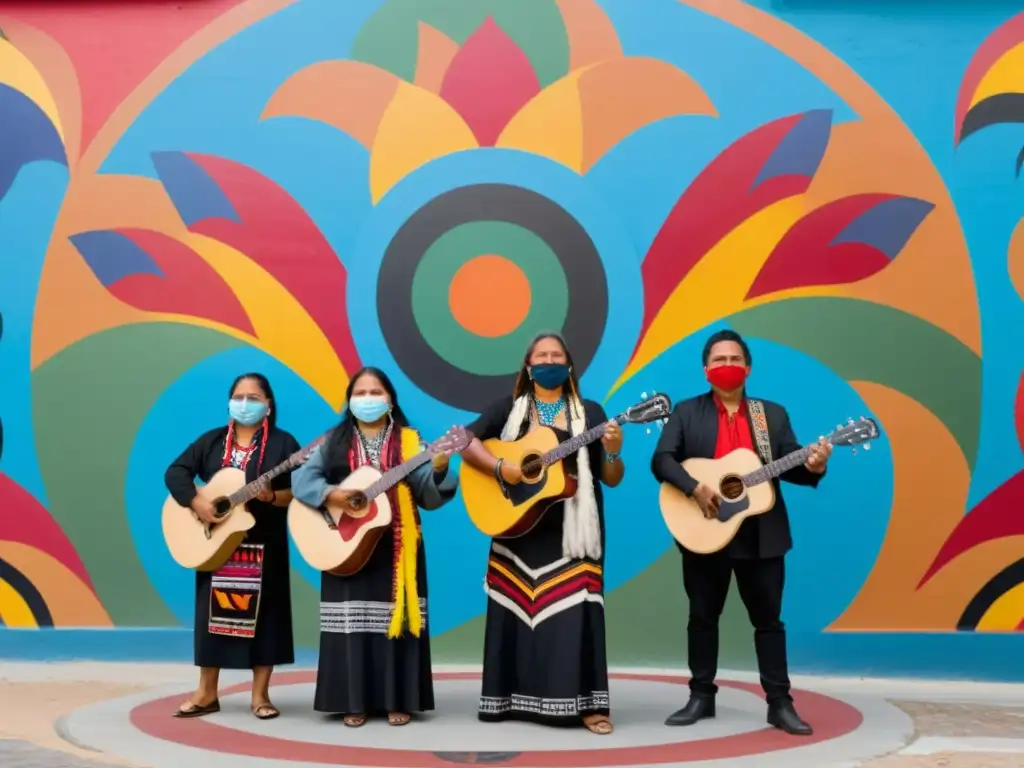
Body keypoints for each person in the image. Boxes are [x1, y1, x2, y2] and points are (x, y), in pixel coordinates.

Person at [651, 329, 831, 735]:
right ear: (705, 369)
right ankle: (701, 697)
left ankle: (780, 703)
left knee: (769, 621)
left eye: (734, 360)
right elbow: (662, 460)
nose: (727, 366)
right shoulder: (685, 412)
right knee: (702, 618)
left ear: (748, 368)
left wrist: (814, 466)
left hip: (762, 535)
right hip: (704, 531)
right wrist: (695, 487)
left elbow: (792, 465)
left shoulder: (773, 416)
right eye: (719, 360)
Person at [460, 332, 625, 735]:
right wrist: (504, 469)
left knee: (578, 613)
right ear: (528, 367)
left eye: (557, 355)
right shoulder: (508, 410)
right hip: (518, 526)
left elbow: (612, 478)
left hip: (574, 531)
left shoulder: (590, 411)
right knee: (515, 613)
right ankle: (509, 700)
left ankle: (588, 705)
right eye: (542, 355)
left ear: (569, 366)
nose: (549, 360)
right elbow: (465, 441)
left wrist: (615, 450)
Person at [291, 366, 457, 727]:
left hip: (398, 546)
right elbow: (302, 479)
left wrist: (441, 467)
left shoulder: (412, 443)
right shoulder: (332, 441)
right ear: (350, 401)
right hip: (344, 544)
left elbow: (429, 493)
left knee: (396, 624)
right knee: (351, 625)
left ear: (390, 400)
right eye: (360, 393)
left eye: (375, 392)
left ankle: (399, 699)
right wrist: (336, 494)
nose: (368, 399)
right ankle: (354, 701)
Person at [164, 372, 301, 720]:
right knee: (211, 617)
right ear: (229, 402)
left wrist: (271, 495)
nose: (245, 404)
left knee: (265, 618)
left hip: (263, 544)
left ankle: (260, 696)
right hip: (215, 543)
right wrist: (198, 503)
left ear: (268, 406)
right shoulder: (211, 442)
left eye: (253, 398)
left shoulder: (284, 445)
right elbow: (176, 472)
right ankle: (207, 692)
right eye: (239, 397)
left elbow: (300, 492)